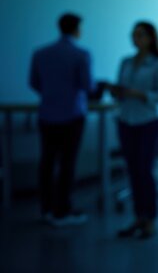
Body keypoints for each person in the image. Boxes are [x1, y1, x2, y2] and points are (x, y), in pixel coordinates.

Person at [28, 13, 93, 227]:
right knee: (67, 163)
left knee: (47, 161)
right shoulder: (80, 54)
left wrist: (52, 95)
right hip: (71, 116)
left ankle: (45, 208)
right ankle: (62, 210)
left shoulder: (41, 53)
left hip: (47, 114)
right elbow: (86, 86)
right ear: (76, 29)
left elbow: (34, 83)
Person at [110, 21, 158, 240]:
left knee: (145, 170)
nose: (136, 39)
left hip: (148, 122)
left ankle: (150, 219)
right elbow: (120, 88)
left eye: (141, 35)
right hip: (126, 120)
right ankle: (138, 216)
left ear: (151, 38)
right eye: (134, 34)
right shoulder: (126, 62)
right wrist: (117, 91)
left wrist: (139, 94)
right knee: (133, 171)